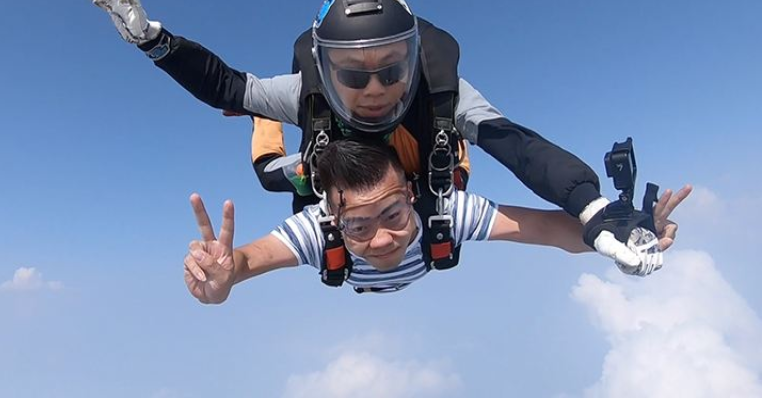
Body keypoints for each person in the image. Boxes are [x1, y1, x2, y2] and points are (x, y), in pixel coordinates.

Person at [87, 0, 663, 268]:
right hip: (334, 168)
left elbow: (517, 145)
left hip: (417, 174)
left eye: (392, 69)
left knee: (450, 164)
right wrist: (156, 41)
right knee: (270, 164)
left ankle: (278, 125)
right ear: (324, 69)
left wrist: (591, 208)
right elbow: (227, 85)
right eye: (352, 75)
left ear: (413, 58)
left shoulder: (444, 95)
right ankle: (269, 126)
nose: (375, 90)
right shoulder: (308, 92)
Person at [184, 140, 691, 300]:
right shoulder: (319, 229)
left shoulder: (443, 212)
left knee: (454, 164)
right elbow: (247, 260)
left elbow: (551, 231)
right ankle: (261, 119)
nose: (382, 239)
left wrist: (623, 233)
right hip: (316, 172)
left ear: (411, 195)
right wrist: (224, 277)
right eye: (358, 226)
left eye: (393, 214)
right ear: (334, 218)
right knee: (270, 169)